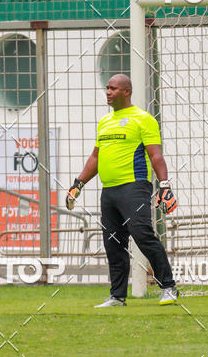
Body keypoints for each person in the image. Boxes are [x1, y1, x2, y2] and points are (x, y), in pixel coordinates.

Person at [66, 74, 178, 306]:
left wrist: (164, 184)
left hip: (135, 187)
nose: (108, 92)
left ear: (126, 91)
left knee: (141, 233)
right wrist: (78, 184)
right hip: (109, 190)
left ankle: (168, 287)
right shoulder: (105, 122)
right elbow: (96, 156)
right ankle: (117, 296)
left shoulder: (143, 119)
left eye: (113, 88)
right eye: (107, 88)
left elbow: (155, 154)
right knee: (113, 242)